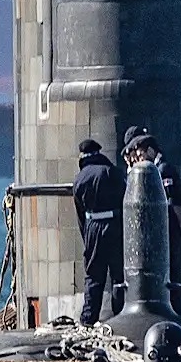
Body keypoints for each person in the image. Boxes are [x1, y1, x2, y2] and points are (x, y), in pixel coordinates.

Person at [124, 133, 181, 312]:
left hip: (168, 225)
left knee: (171, 268)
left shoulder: (163, 170)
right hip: (161, 227)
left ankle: (175, 308)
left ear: (151, 151)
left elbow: (175, 201)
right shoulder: (155, 169)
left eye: (141, 155)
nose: (139, 159)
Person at [72, 138, 126, 326]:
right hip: (116, 224)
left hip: (93, 226)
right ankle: (121, 317)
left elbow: (80, 215)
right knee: (119, 275)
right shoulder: (114, 173)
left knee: (94, 275)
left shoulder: (80, 179)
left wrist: (87, 238)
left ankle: (88, 319)